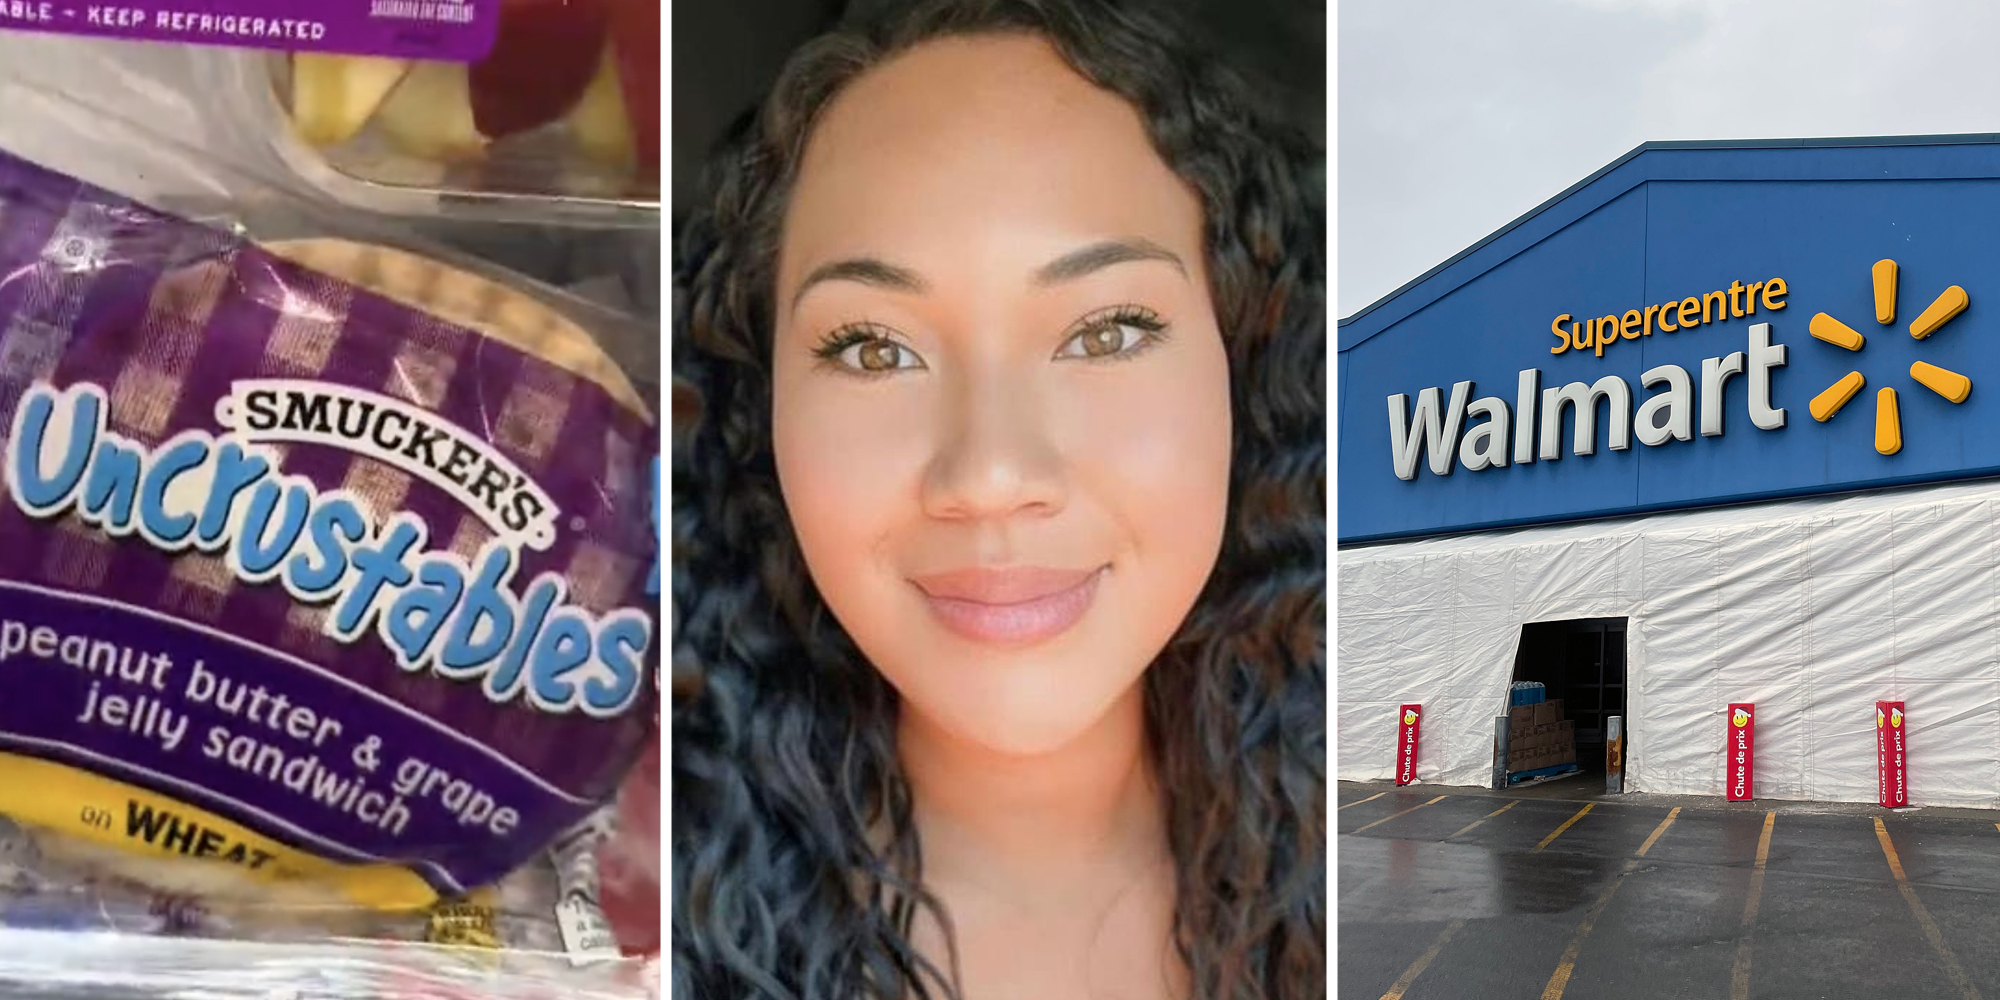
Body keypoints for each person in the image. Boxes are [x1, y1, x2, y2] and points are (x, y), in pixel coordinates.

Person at [671, 1, 1325, 997]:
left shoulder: (1370, 871)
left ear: (1243, 362)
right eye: (873, 348)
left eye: (1104, 331)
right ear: (758, 409)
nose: (988, 473)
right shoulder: (605, 910)